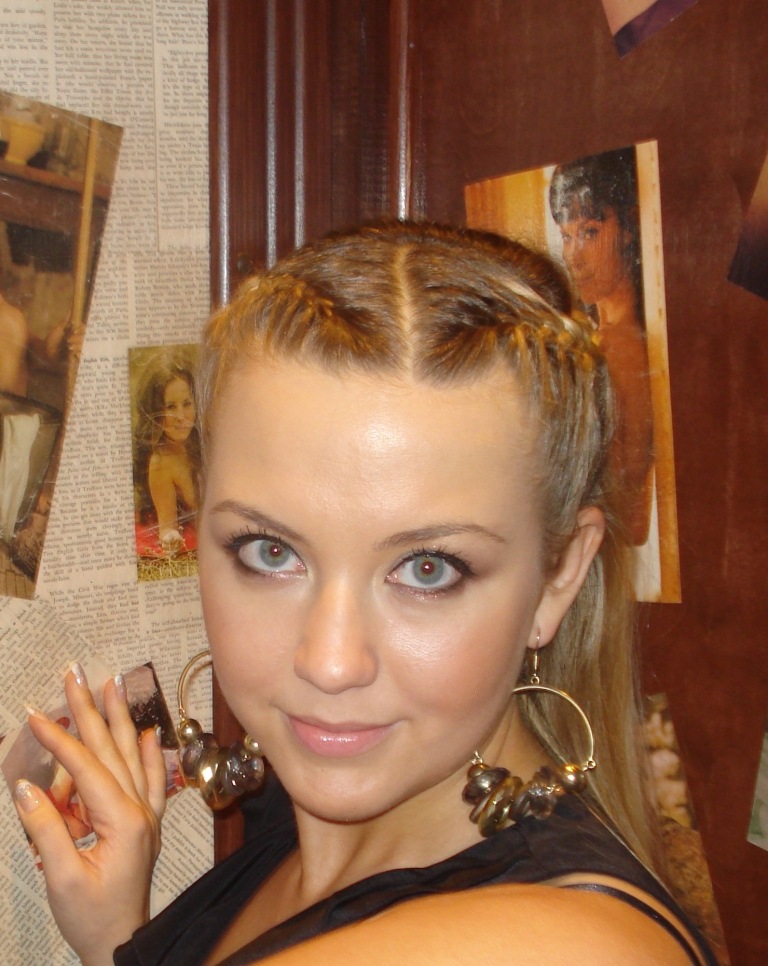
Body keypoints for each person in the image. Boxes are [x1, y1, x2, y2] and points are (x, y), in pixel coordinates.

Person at [13, 223, 715, 965]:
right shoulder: (303, 831)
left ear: (558, 576)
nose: (330, 663)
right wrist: (120, 940)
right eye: (270, 551)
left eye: (427, 569)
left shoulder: (562, 951)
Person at [549, 149, 655, 547]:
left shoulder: (616, 347)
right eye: (567, 236)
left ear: (628, 228)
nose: (573, 257)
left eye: (590, 232)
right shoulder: (600, 336)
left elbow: (621, 501)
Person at [133, 351, 200, 556]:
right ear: (154, 412)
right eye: (170, 407)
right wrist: (171, 538)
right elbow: (167, 528)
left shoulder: (205, 439)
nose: (181, 416)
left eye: (187, 404)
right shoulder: (161, 463)